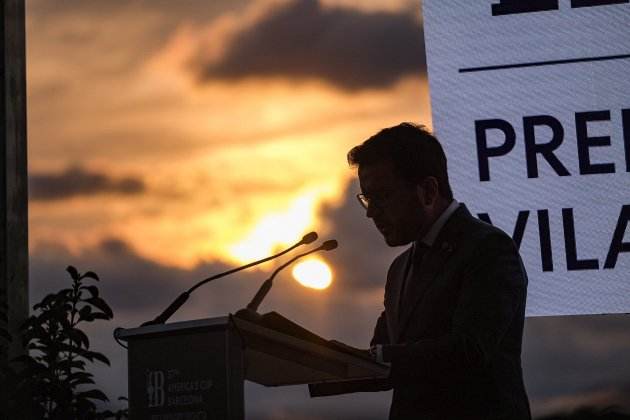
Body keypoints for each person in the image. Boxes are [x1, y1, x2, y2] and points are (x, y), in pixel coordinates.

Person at [348, 123, 531, 419]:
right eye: (367, 199)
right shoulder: (399, 269)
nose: (371, 212)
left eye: (381, 196)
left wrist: (378, 357)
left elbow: (469, 350)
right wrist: (314, 356)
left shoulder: (489, 248)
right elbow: (381, 358)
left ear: (429, 191)